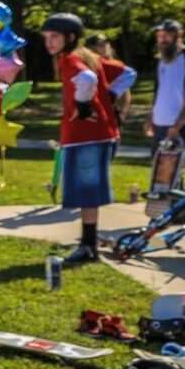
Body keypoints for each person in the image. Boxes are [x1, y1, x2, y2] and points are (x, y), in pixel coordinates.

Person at [41, 13, 119, 264]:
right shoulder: (88, 56)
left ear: (70, 37)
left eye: (54, 36)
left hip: (85, 136)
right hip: (94, 135)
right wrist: (108, 98)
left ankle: (88, 247)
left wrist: (83, 105)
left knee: (86, 193)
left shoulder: (70, 58)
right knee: (88, 194)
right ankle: (89, 245)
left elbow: (87, 79)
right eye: (46, 37)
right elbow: (127, 73)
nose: (49, 42)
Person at [142, 18, 185, 206]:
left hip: (184, 121)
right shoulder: (162, 61)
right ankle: (175, 210)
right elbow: (159, 91)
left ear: (179, 35)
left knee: (170, 164)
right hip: (161, 120)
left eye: (167, 35)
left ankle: (174, 209)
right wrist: (151, 117)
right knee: (165, 166)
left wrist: (179, 123)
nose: (162, 39)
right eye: (159, 35)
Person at [86, 33, 136, 120]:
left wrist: (122, 115)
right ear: (90, 49)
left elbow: (125, 93)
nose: (105, 47)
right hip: (90, 112)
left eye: (106, 43)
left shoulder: (116, 66)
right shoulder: (84, 68)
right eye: (100, 45)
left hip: (111, 112)